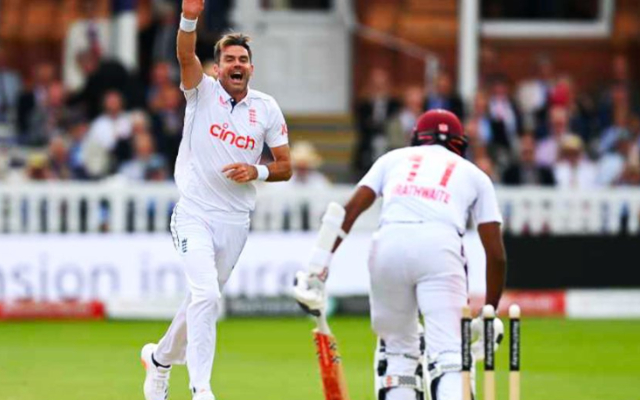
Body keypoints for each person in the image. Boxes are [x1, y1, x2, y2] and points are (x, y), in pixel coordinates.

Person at [294, 109, 507, 400]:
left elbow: (349, 211)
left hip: (388, 242)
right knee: (448, 355)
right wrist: (490, 311)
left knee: (397, 353)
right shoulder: (475, 175)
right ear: (460, 143)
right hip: (440, 245)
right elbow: (496, 255)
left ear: (416, 138)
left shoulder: (392, 159)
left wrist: (317, 267)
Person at [140, 1, 292, 399]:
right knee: (207, 296)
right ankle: (201, 388)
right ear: (217, 67)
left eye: (243, 59)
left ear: (251, 68)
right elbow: (184, 53)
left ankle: (158, 360)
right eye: (229, 59)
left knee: (199, 299)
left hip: (236, 220)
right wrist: (189, 17)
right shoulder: (201, 92)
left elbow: (286, 166)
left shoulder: (266, 109)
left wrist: (256, 171)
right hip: (193, 212)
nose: (236, 65)